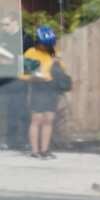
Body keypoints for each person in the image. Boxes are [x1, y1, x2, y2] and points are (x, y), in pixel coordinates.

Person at [22, 25, 62, 159]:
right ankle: (35, 151)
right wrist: (37, 75)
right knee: (37, 119)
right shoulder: (31, 53)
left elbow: (59, 71)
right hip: (37, 88)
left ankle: (45, 150)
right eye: (46, 44)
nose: (48, 47)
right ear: (38, 42)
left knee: (49, 119)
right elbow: (24, 75)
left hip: (51, 89)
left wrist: (56, 64)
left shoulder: (52, 52)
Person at [0, 12, 26, 150]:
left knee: (18, 111)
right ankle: (7, 141)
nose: (4, 27)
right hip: (3, 80)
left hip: (17, 80)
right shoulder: (2, 37)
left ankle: (20, 141)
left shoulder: (23, 37)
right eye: (2, 24)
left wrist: (10, 60)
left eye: (6, 24)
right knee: (3, 111)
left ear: (15, 22)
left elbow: (25, 61)